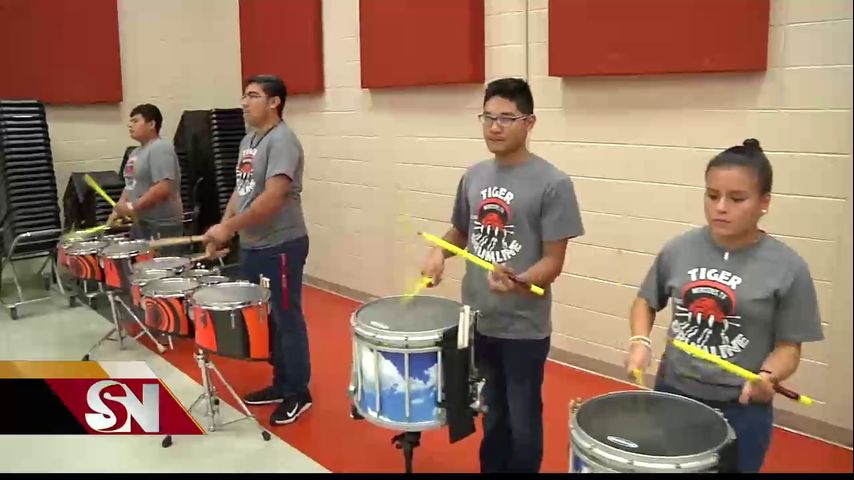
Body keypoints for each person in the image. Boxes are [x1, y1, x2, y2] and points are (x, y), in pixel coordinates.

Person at [624, 139, 824, 473]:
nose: (720, 207)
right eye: (712, 195)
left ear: (764, 202)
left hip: (741, 407)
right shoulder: (679, 249)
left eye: (737, 198)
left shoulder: (788, 267)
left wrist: (768, 376)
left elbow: (789, 347)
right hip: (674, 392)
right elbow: (646, 301)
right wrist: (639, 341)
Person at [421, 77, 584, 473]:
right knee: (491, 414)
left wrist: (520, 281)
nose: (495, 127)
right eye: (488, 117)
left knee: (523, 419)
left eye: (506, 118)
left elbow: (553, 261)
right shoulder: (474, 176)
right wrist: (439, 252)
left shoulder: (553, 183)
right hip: (478, 318)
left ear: (529, 123)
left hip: (523, 326)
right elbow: (462, 232)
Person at [202, 74, 312, 426]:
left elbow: (273, 197)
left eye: (252, 96)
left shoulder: (283, 141)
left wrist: (230, 228)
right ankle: (281, 383)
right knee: (270, 319)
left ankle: (298, 392)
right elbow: (243, 190)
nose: (244, 102)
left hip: (281, 245)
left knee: (287, 318)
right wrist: (224, 230)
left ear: (274, 102)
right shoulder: (249, 140)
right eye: (244, 96)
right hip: (254, 244)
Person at [110, 103, 184, 253]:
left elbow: (163, 187)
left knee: (161, 267)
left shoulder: (160, 148)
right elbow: (130, 185)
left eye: (135, 121)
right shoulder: (135, 153)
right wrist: (118, 210)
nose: (130, 125)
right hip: (141, 223)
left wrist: (132, 207)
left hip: (161, 226)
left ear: (151, 124)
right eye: (130, 121)